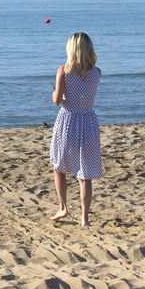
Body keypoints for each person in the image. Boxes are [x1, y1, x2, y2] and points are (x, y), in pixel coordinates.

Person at [49, 32, 102, 226]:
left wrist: (55, 90)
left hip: (68, 120)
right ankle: (84, 217)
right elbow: (85, 95)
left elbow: (57, 101)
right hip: (88, 120)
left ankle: (63, 207)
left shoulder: (63, 71)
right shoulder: (96, 72)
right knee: (84, 173)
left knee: (59, 166)